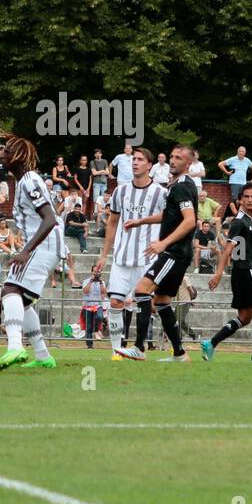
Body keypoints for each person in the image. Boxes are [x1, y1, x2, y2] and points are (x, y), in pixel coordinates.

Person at [0, 133, 62, 372]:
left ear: (18, 156)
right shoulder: (24, 181)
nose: (1, 155)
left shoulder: (29, 181)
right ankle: (42, 355)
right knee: (23, 301)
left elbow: (49, 218)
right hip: (45, 245)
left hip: (43, 245)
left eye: (6, 151)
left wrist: (26, 251)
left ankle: (14, 347)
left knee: (10, 289)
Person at [122, 145, 199, 362]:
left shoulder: (183, 186)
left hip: (174, 253)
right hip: (176, 252)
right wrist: (141, 221)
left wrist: (163, 243)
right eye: (172, 156)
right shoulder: (176, 186)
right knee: (163, 301)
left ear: (188, 163)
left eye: (178, 158)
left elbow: (190, 221)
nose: (173, 161)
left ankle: (139, 347)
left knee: (141, 290)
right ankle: (180, 354)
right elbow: (169, 215)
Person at [95, 147, 166, 358]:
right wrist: (104, 255)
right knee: (115, 303)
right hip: (122, 258)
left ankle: (140, 347)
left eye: (140, 159)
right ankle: (117, 351)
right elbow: (112, 224)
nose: (135, 162)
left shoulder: (161, 193)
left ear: (149, 165)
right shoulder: (120, 191)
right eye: (133, 159)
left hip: (147, 258)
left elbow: (171, 219)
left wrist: (162, 243)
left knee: (147, 305)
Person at [201, 185, 252, 361]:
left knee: (245, 317)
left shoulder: (250, 220)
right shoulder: (240, 221)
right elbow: (228, 250)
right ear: (240, 200)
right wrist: (218, 274)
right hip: (248, 272)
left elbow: (246, 249)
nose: (249, 199)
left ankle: (211, 343)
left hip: (241, 273)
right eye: (246, 196)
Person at [80, 265, 107, 349]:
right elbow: (85, 291)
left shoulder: (102, 282)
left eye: (98, 272)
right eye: (95, 272)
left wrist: (101, 283)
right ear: (92, 272)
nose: (96, 273)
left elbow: (104, 292)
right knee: (88, 326)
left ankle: (96, 330)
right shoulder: (86, 281)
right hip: (88, 305)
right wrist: (91, 281)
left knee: (99, 317)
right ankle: (89, 345)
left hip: (98, 304)